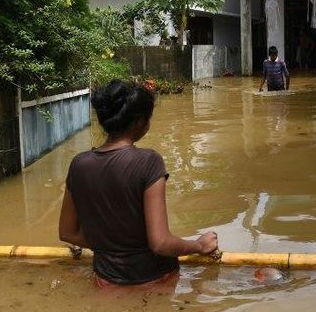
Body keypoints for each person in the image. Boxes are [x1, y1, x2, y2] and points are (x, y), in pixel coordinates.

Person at [59, 80, 218, 287]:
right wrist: (198, 245)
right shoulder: (149, 161)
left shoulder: (78, 164)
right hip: (155, 281)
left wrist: (110, 246)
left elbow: (67, 232)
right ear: (139, 121)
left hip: (105, 281)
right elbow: (160, 243)